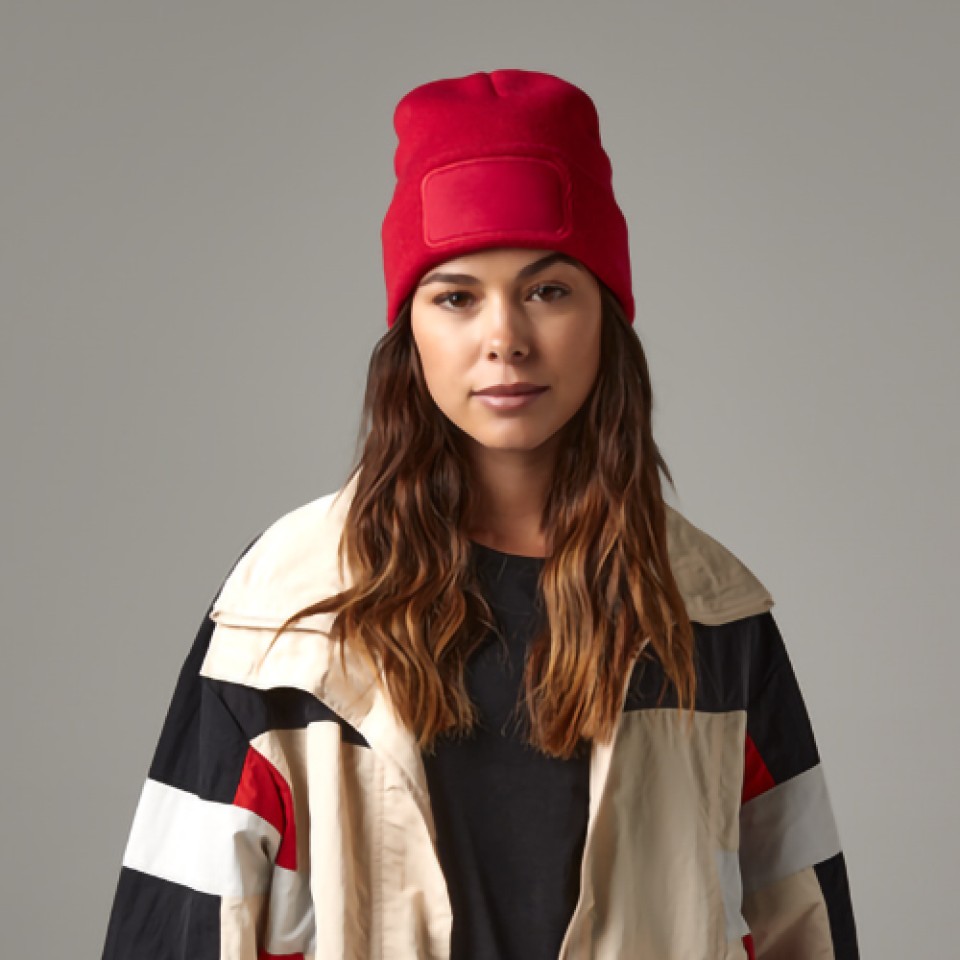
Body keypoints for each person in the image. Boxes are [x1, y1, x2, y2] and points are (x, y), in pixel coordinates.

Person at [100, 69, 859, 959]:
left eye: (548, 291)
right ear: (411, 330)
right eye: (456, 297)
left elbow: (804, 922)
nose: (505, 338)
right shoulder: (283, 610)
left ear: (606, 317)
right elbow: (178, 926)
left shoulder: (709, 614)